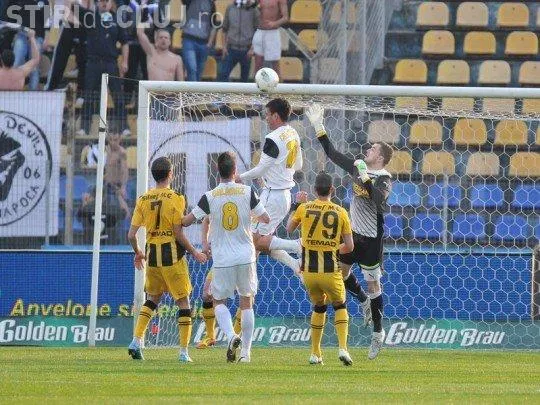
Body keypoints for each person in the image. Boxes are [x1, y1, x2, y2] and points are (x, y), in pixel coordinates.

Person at [306, 104, 393, 360]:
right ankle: (362, 299)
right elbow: (332, 153)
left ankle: (378, 333)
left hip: (372, 240)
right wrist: (319, 126)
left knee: (374, 285)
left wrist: (366, 178)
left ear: (381, 158)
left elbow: (379, 201)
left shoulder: (384, 178)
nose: (368, 150)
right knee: (340, 274)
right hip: (353, 235)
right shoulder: (357, 166)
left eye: (373, 149)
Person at [183, 151, 269, 363]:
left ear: (217, 171)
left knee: (218, 301)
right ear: (235, 170)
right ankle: (246, 354)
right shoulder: (247, 192)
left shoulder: (210, 196)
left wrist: (176, 218)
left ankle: (231, 336)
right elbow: (265, 218)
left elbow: (187, 221)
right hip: (246, 255)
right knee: (247, 302)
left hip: (222, 259)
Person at [127, 156, 207, 362]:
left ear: (154, 175)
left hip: (152, 256)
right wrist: (195, 252)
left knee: (152, 299)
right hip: (171, 256)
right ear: (170, 174)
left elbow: (131, 235)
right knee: (183, 301)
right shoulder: (176, 198)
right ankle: (183, 352)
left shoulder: (143, 199)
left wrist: (138, 252)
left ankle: (136, 340)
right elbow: (178, 233)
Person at [287, 171, 354, 366]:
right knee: (340, 304)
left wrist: (296, 205)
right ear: (332, 189)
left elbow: (289, 228)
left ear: (315, 190)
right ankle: (343, 348)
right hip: (330, 271)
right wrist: (332, 248)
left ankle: (315, 353)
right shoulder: (341, 212)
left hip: (309, 273)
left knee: (319, 306)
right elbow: (350, 246)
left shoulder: (305, 208)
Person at [235, 97, 303, 277]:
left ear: (276, 116)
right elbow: (299, 165)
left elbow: (260, 170)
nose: (265, 118)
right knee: (263, 242)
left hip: (272, 196)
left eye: (267, 114)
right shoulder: (293, 133)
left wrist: (240, 177)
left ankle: (297, 245)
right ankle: (295, 265)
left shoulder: (273, 138)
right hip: (285, 195)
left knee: (254, 240)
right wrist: (278, 172)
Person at [67, 0, 130, 136]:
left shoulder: (117, 20)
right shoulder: (90, 17)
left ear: (111, 3)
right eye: (101, 1)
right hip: (93, 62)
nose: (104, 3)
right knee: (88, 95)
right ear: (97, 3)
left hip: (111, 62)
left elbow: (125, 42)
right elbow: (73, 5)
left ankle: (124, 127)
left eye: (107, 1)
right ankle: (84, 128)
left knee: (118, 96)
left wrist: (125, 61)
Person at [196, 217, 242, 349]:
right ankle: (210, 336)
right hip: (221, 261)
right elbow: (206, 220)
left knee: (245, 298)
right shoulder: (217, 206)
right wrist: (205, 243)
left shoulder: (247, 209)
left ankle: (234, 337)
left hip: (242, 259)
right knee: (207, 294)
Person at [6, 0, 47, 90]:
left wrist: (45, 39)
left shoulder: (44, 1)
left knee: (34, 68)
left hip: (38, 36)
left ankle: (33, 95)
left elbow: (46, 21)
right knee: (16, 63)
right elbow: (10, 19)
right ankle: (12, 93)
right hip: (21, 35)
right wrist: (15, 32)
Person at [218, 0, 258, 82]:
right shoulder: (230, 8)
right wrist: (224, 47)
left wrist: (252, 48)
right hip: (231, 49)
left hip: (246, 50)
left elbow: (257, 30)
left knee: (244, 78)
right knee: (223, 75)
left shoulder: (253, 10)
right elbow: (224, 29)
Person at [181, 0, 218, 81]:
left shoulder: (211, 4)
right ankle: (193, 89)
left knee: (199, 72)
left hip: (203, 43)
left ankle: (194, 88)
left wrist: (210, 42)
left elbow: (213, 25)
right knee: (192, 68)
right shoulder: (189, 1)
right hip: (189, 40)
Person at [252, 0, 288, 76]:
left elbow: (285, 18)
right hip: (259, 31)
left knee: (275, 65)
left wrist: (274, 23)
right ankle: (257, 83)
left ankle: (279, 83)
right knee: (257, 64)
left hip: (272, 33)